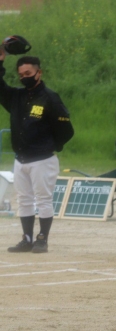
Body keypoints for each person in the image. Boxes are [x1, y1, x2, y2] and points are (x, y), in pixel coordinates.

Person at [0, 49, 74, 253]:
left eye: (28, 73)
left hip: (42, 159)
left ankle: (42, 239)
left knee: (43, 199)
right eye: (21, 75)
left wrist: (51, 146)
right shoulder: (16, 96)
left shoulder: (50, 98)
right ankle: (27, 239)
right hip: (20, 159)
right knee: (23, 200)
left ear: (39, 73)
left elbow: (66, 130)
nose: (24, 77)